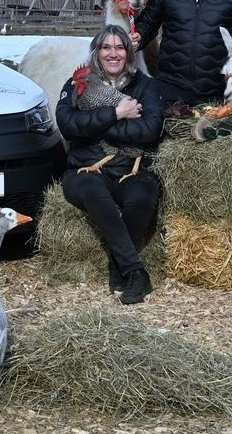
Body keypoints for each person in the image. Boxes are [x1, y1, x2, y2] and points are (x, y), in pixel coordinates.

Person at [55, 24, 167, 303]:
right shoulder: (78, 83)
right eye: (106, 47)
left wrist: (97, 126)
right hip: (85, 168)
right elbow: (68, 125)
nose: (113, 53)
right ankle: (134, 270)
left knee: (143, 195)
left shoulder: (145, 85)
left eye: (119, 47)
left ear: (128, 52)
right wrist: (115, 114)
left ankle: (118, 266)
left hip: (131, 167)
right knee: (94, 192)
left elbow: (151, 129)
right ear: (96, 52)